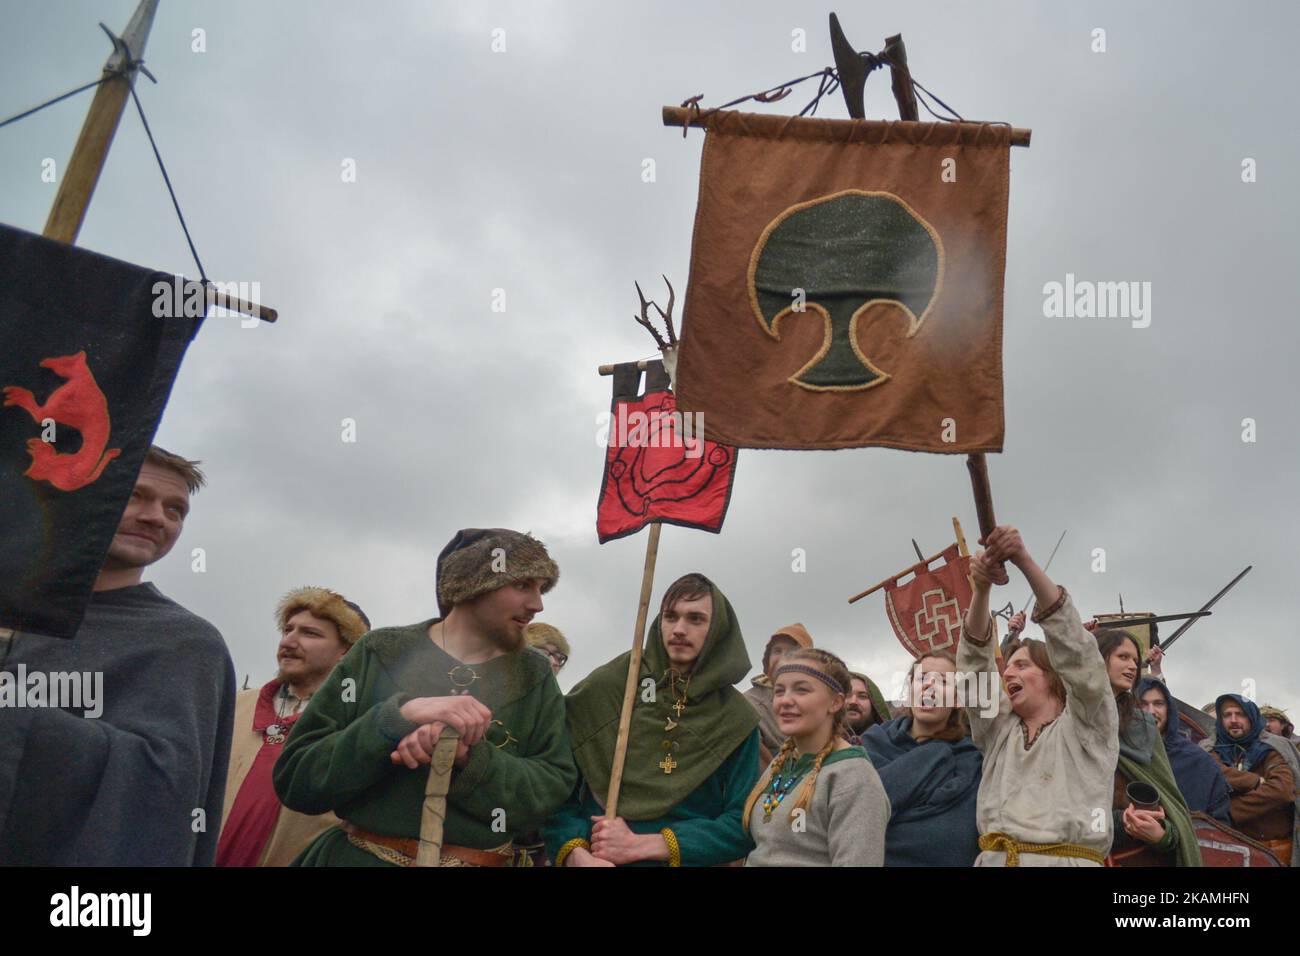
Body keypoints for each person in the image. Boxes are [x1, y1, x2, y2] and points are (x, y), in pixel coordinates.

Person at [273, 528, 577, 866]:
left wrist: (469, 759)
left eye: (541, 589)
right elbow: (298, 779)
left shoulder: (534, 677)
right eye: (522, 585)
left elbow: (550, 792)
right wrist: (394, 721)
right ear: (472, 584)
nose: (537, 604)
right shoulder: (380, 652)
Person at [0, 445, 236, 865]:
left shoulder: (187, 643)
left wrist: (17, 720)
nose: (156, 517)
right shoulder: (16, 613)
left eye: (175, 510)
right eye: (134, 494)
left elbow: (160, 794)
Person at [545, 573, 761, 867]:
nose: (679, 629)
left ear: (718, 629)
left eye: (696, 619)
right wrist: (576, 855)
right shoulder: (611, 686)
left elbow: (744, 823)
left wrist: (646, 844)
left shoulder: (737, 718)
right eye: (670, 617)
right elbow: (556, 786)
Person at [958, 524, 1118, 866]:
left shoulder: (1089, 725)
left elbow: (1078, 655)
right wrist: (981, 589)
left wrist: (1022, 559)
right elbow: (974, 668)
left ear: (1052, 674)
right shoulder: (997, 731)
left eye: (1022, 665)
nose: (1008, 673)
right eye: (1007, 668)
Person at [217, 587, 370, 866]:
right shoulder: (233, 707)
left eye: (310, 633)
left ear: (346, 652)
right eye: (288, 629)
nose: (289, 640)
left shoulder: (358, 724)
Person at [743, 648, 888, 866]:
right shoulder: (781, 763)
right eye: (779, 691)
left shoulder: (854, 779)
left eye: (801, 690)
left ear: (836, 702)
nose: (785, 701)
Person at [861, 650, 982, 866]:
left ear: (958, 700)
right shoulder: (872, 744)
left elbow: (957, 838)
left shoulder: (970, 762)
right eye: (922, 678)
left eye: (943, 681)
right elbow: (858, 813)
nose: (929, 686)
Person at [1096, 630, 1200, 866]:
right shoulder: (1069, 717)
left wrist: (1161, 833)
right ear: (1099, 658)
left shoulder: (1141, 726)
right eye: (1123, 657)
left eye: (1135, 659)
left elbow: (1173, 815)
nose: (1132, 666)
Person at [1204, 695, 1299, 865]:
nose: (1234, 720)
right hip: (1227, 849)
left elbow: (1281, 791)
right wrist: (1254, 781)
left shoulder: (1273, 748)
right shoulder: (1211, 748)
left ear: (1251, 717)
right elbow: (1212, 773)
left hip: (1273, 851)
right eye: (1227, 715)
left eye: (1240, 714)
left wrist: (1228, 810)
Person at [1136, 677, 1231, 825]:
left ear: (1169, 709)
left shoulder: (1197, 760)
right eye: (1142, 704)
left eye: (1158, 704)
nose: (1151, 711)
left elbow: (1218, 823)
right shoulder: (1120, 753)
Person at [744, 624, 813, 763]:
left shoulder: (822, 702)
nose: (783, 657)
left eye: (792, 651)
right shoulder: (747, 705)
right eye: (777, 651)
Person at [844, 670, 892, 744]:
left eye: (862, 696)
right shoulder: (821, 743)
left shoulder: (890, 745)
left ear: (874, 706)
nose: (853, 701)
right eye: (847, 695)